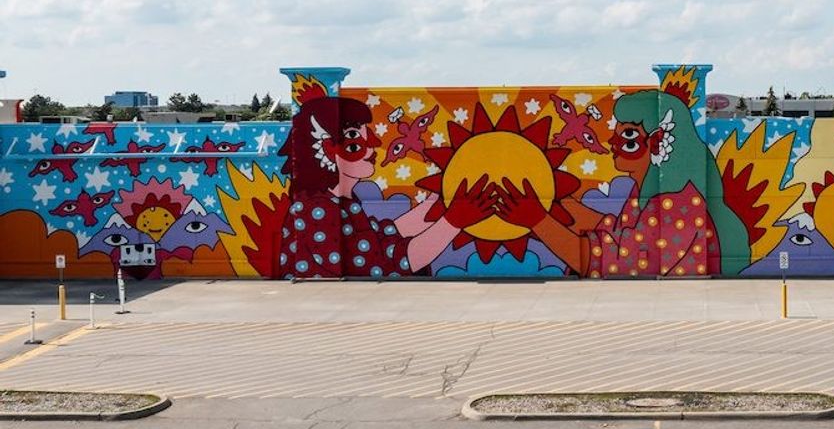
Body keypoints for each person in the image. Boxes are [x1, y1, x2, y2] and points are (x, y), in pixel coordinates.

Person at [495, 90, 750, 277]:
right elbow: (613, 229)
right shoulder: (646, 196)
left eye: (627, 136)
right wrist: (551, 202)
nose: (611, 143)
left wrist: (538, 220)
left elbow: (607, 258)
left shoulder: (677, 205)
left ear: (657, 142)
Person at [277, 95, 492, 278]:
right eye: (355, 141)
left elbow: (382, 235)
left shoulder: (336, 203)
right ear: (326, 150)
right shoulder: (316, 211)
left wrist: (438, 200)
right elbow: (382, 266)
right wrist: (453, 222)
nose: (373, 147)